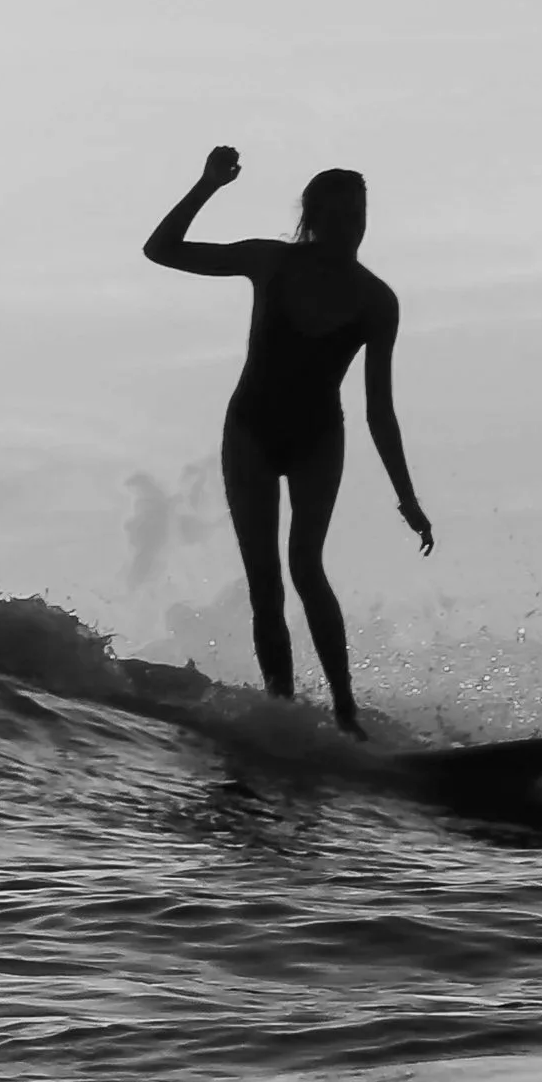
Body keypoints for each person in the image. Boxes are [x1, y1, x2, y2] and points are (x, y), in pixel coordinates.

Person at [143, 146, 432, 735]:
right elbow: (161, 250)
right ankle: (283, 713)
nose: (351, 226)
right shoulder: (271, 261)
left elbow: (380, 409)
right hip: (251, 430)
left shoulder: (377, 300)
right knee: (265, 584)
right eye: (339, 215)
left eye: (359, 215)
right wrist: (208, 184)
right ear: (313, 217)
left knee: (307, 567)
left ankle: (346, 714)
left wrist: (407, 498)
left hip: (317, 439)